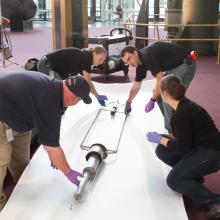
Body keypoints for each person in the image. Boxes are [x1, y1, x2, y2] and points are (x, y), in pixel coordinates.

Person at [0, 71, 92, 210]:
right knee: (2, 160)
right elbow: (52, 146)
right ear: (73, 97)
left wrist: (51, 150)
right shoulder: (49, 101)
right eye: (79, 99)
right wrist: (68, 172)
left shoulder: (54, 88)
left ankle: (21, 187)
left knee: (22, 160)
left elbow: (48, 135)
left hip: (18, 116)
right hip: (2, 115)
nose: (78, 103)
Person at [146, 75, 220, 220]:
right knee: (162, 150)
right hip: (201, 147)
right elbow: (185, 138)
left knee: (173, 180)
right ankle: (194, 177)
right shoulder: (183, 106)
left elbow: (183, 147)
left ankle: (215, 202)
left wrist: (161, 139)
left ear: (164, 93)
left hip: (212, 153)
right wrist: (163, 139)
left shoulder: (182, 113)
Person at [120, 42, 197, 131]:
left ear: (135, 53)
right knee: (158, 94)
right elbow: (136, 86)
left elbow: (160, 80)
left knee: (168, 95)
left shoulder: (147, 56)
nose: (130, 63)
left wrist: (152, 100)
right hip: (175, 66)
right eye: (127, 62)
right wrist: (129, 101)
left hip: (186, 64)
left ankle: (172, 132)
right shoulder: (140, 64)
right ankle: (175, 123)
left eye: (129, 58)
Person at [37, 46, 108, 106]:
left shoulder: (85, 57)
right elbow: (88, 82)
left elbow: (81, 81)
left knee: (70, 84)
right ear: (94, 54)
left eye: (103, 60)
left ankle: (84, 96)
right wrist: (97, 96)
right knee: (59, 89)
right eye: (100, 59)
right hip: (46, 65)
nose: (101, 62)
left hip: (56, 68)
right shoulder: (86, 59)